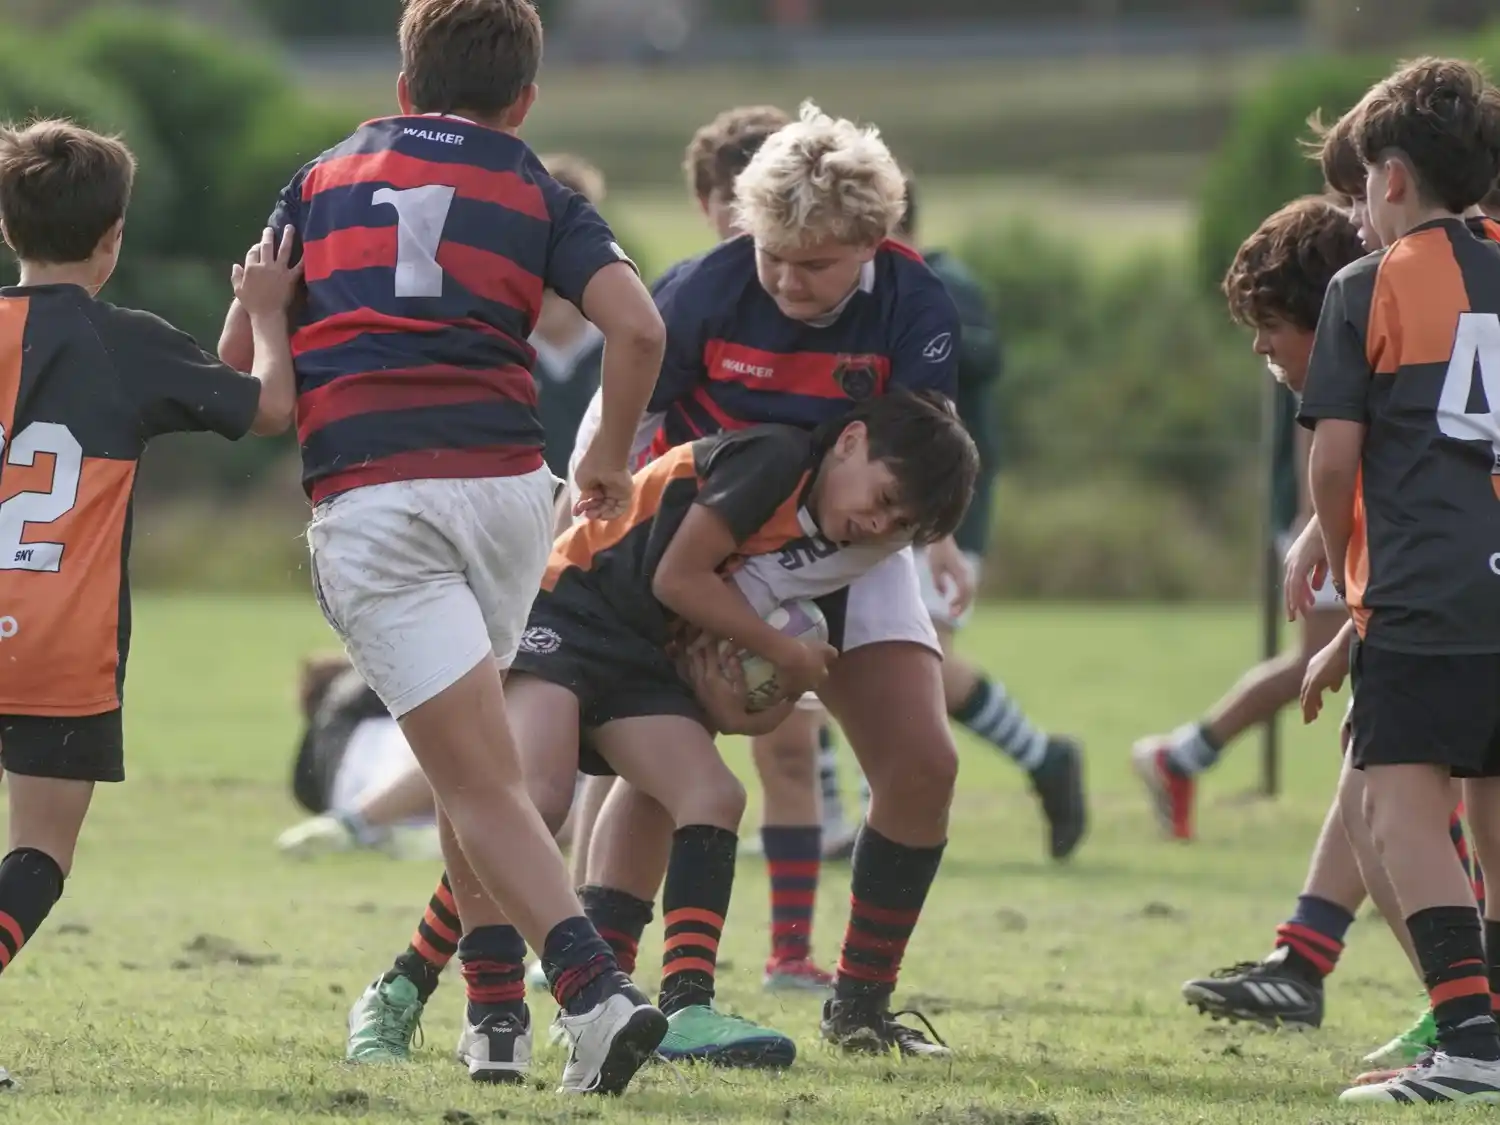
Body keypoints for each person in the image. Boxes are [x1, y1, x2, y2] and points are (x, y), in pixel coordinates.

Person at [217, 0, 670, 1095]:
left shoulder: (320, 179)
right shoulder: (534, 186)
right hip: (509, 492)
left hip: (380, 498)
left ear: (404, 81)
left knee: (478, 784)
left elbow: (241, 374)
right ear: (523, 100)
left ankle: (596, 997)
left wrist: (267, 313)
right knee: (483, 770)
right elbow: (641, 328)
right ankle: (494, 1022)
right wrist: (606, 453)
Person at [577, 100, 971, 1058]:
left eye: (817, 264)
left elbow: (916, 462)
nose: (789, 280)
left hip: (853, 545)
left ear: (873, 243)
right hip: (705, 549)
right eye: (774, 255)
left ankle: (862, 1003)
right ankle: (603, 995)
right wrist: (587, 532)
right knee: (662, 765)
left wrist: (921, 546)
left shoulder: (914, 305)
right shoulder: (704, 289)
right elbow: (617, 425)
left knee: (923, 766)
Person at [445, 390, 978, 1076]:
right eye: (883, 496)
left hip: (641, 658)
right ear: (849, 441)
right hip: (571, 610)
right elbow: (678, 576)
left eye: (898, 523)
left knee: (712, 793)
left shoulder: (832, 550)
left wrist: (756, 692)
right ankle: (439, 976)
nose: (876, 522)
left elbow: (735, 706)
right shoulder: (775, 459)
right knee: (537, 798)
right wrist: (786, 655)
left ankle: (684, 1008)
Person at [0, 118, 299, 1089]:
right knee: (39, 854)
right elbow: (266, 409)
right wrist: (268, 312)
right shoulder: (127, 345)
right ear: (114, 235)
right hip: (57, 646)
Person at [271, 150, 614, 865]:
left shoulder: (617, 358)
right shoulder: (485, 345)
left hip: (586, 566)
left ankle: (380, 828)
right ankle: (392, 834)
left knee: (508, 725)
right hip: (495, 555)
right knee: (482, 713)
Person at [1297, 57, 1500, 1105]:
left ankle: (1470, 1041)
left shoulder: (1365, 285)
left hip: (1427, 585)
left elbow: (1335, 460)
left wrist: (1339, 561)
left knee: (1391, 805)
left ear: (1387, 178)